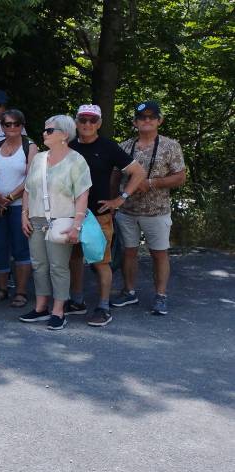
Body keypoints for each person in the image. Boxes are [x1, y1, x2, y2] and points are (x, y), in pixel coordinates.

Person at [65, 104, 146, 325]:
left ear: (99, 123)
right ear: (76, 123)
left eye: (92, 120)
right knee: (74, 259)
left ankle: (103, 306)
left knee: (101, 261)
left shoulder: (109, 147)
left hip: (99, 214)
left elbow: (138, 173)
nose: (87, 124)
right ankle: (76, 301)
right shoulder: (68, 147)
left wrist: (120, 199)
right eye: (83, 120)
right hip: (71, 214)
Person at [113, 101, 186, 315]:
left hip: (157, 211)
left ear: (159, 120)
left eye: (151, 117)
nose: (147, 120)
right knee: (128, 252)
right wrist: (112, 201)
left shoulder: (170, 145)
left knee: (159, 254)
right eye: (142, 117)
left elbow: (180, 176)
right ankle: (129, 292)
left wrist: (152, 183)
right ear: (135, 122)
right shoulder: (125, 146)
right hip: (127, 210)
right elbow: (115, 174)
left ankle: (161, 295)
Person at [19, 115, 91, 330]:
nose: (44, 133)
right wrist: (24, 213)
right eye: (45, 129)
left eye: (49, 130)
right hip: (36, 219)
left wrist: (77, 225)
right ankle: (41, 307)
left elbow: (82, 195)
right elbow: (28, 189)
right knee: (39, 265)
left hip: (62, 220)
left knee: (58, 266)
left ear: (64, 135)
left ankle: (59, 310)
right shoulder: (39, 159)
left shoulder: (76, 160)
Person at [0, 109, 36, 309]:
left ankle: (21, 292)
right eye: (7, 124)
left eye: (16, 124)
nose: (12, 127)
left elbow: (32, 177)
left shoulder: (29, 147)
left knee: (21, 247)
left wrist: (10, 197)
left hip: (19, 207)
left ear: (22, 125)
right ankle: (2, 288)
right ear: (1, 126)